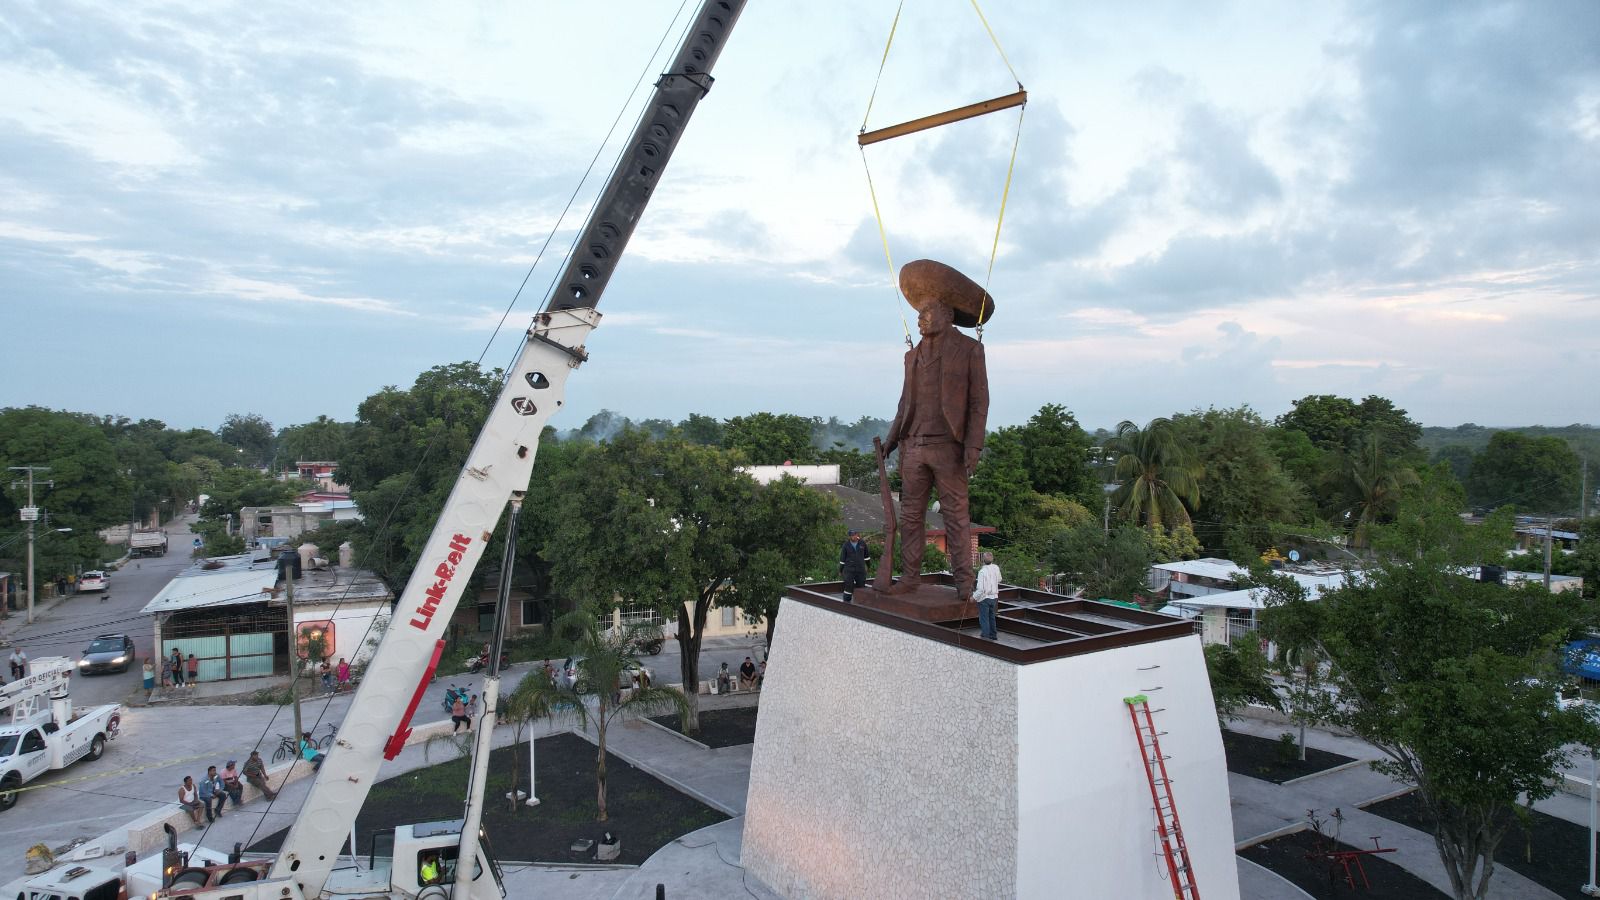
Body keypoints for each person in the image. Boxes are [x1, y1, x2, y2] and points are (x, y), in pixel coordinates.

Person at [881, 259, 991, 599]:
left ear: (945, 313)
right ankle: (910, 577)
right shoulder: (911, 357)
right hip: (913, 446)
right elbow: (904, 403)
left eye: (927, 312)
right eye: (919, 313)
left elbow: (979, 402)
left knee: (957, 518)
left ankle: (963, 583)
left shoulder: (970, 350)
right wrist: (891, 441)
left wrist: (973, 447)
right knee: (911, 515)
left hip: (949, 447)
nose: (920, 318)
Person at [973, 550, 1001, 641]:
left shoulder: (982, 571)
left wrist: (973, 597)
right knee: (992, 616)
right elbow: (999, 579)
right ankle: (993, 635)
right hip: (994, 597)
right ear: (992, 559)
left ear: (983, 560)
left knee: (984, 618)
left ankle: (985, 636)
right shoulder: (996, 567)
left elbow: (980, 589)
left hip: (985, 598)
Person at [839, 529, 871, 603]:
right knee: (848, 586)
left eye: (854, 535)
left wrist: (868, 566)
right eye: (851, 535)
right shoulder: (846, 545)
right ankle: (846, 603)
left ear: (857, 535)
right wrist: (841, 570)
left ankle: (860, 602)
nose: (852, 537)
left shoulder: (862, 543)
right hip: (849, 570)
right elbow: (842, 560)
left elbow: (867, 557)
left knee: (861, 586)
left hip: (860, 569)